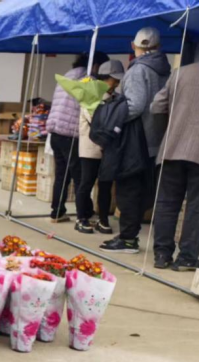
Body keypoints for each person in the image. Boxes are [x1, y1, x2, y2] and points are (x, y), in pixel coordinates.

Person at [101, 27, 170, 253]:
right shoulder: (165, 69)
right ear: (158, 46)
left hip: (135, 139)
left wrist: (111, 114)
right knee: (142, 188)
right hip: (155, 137)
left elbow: (135, 105)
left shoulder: (139, 69)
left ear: (133, 46)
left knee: (127, 188)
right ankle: (130, 234)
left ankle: (128, 239)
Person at [149, 52, 199, 271]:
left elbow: (156, 107)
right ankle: (187, 259)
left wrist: (171, 127)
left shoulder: (179, 73)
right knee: (198, 206)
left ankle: (162, 255)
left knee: (166, 203)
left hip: (172, 148)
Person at [46, 52, 109, 223]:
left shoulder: (68, 75)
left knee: (61, 175)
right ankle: (86, 213)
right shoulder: (87, 80)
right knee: (80, 176)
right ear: (95, 65)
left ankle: (57, 212)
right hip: (71, 134)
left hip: (56, 132)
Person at [75, 60, 123, 235]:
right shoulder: (90, 95)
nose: (116, 84)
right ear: (104, 78)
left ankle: (103, 220)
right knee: (86, 183)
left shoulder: (114, 97)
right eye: (114, 80)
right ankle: (81, 219)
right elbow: (96, 122)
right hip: (90, 147)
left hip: (108, 148)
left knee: (105, 185)